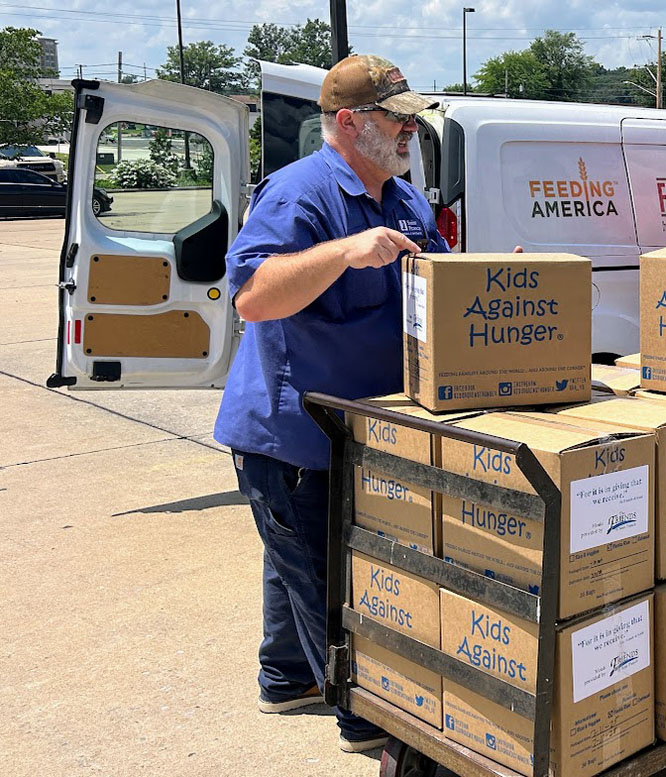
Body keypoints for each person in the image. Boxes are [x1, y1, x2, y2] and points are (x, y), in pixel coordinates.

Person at [212, 54, 450, 753]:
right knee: (329, 582)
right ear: (349, 123)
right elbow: (254, 297)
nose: (410, 131)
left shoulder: (405, 199)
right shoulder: (298, 194)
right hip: (294, 440)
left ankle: (286, 678)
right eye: (396, 119)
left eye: (412, 119)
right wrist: (345, 252)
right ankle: (367, 722)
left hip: (361, 432)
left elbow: (437, 281)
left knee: (299, 559)